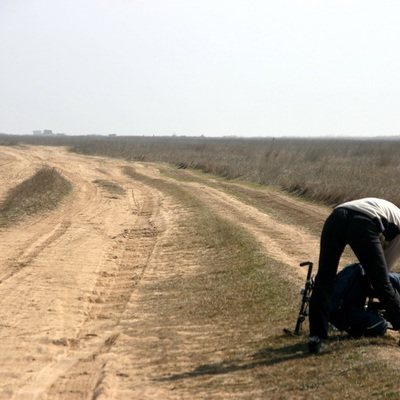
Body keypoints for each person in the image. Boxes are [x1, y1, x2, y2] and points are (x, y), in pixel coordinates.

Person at [308, 198, 400, 354]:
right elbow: (381, 278)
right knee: (382, 283)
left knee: (324, 280)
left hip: (336, 216)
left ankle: (317, 338)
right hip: (362, 221)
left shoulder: (393, 214)